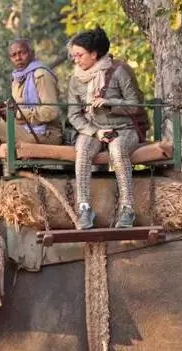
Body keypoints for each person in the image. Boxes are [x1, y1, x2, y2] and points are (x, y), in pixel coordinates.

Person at [67, 27, 145, 229]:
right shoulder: (75, 79)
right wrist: (95, 132)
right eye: (73, 55)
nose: (76, 60)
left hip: (124, 128)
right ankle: (84, 208)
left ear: (94, 54)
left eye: (79, 55)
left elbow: (135, 105)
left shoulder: (120, 71)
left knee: (118, 150)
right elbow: (74, 115)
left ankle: (127, 209)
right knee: (82, 150)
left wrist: (110, 102)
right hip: (93, 129)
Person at [0, 39, 62, 192]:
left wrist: (16, 113)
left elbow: (51, 112)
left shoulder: (41, 75)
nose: (18, 58)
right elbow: (18, 110)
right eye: (13, 55)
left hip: (46, 133)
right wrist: (4, 110)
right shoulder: (18, 78)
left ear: (31, 53)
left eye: (22, 53)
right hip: (26, 128)